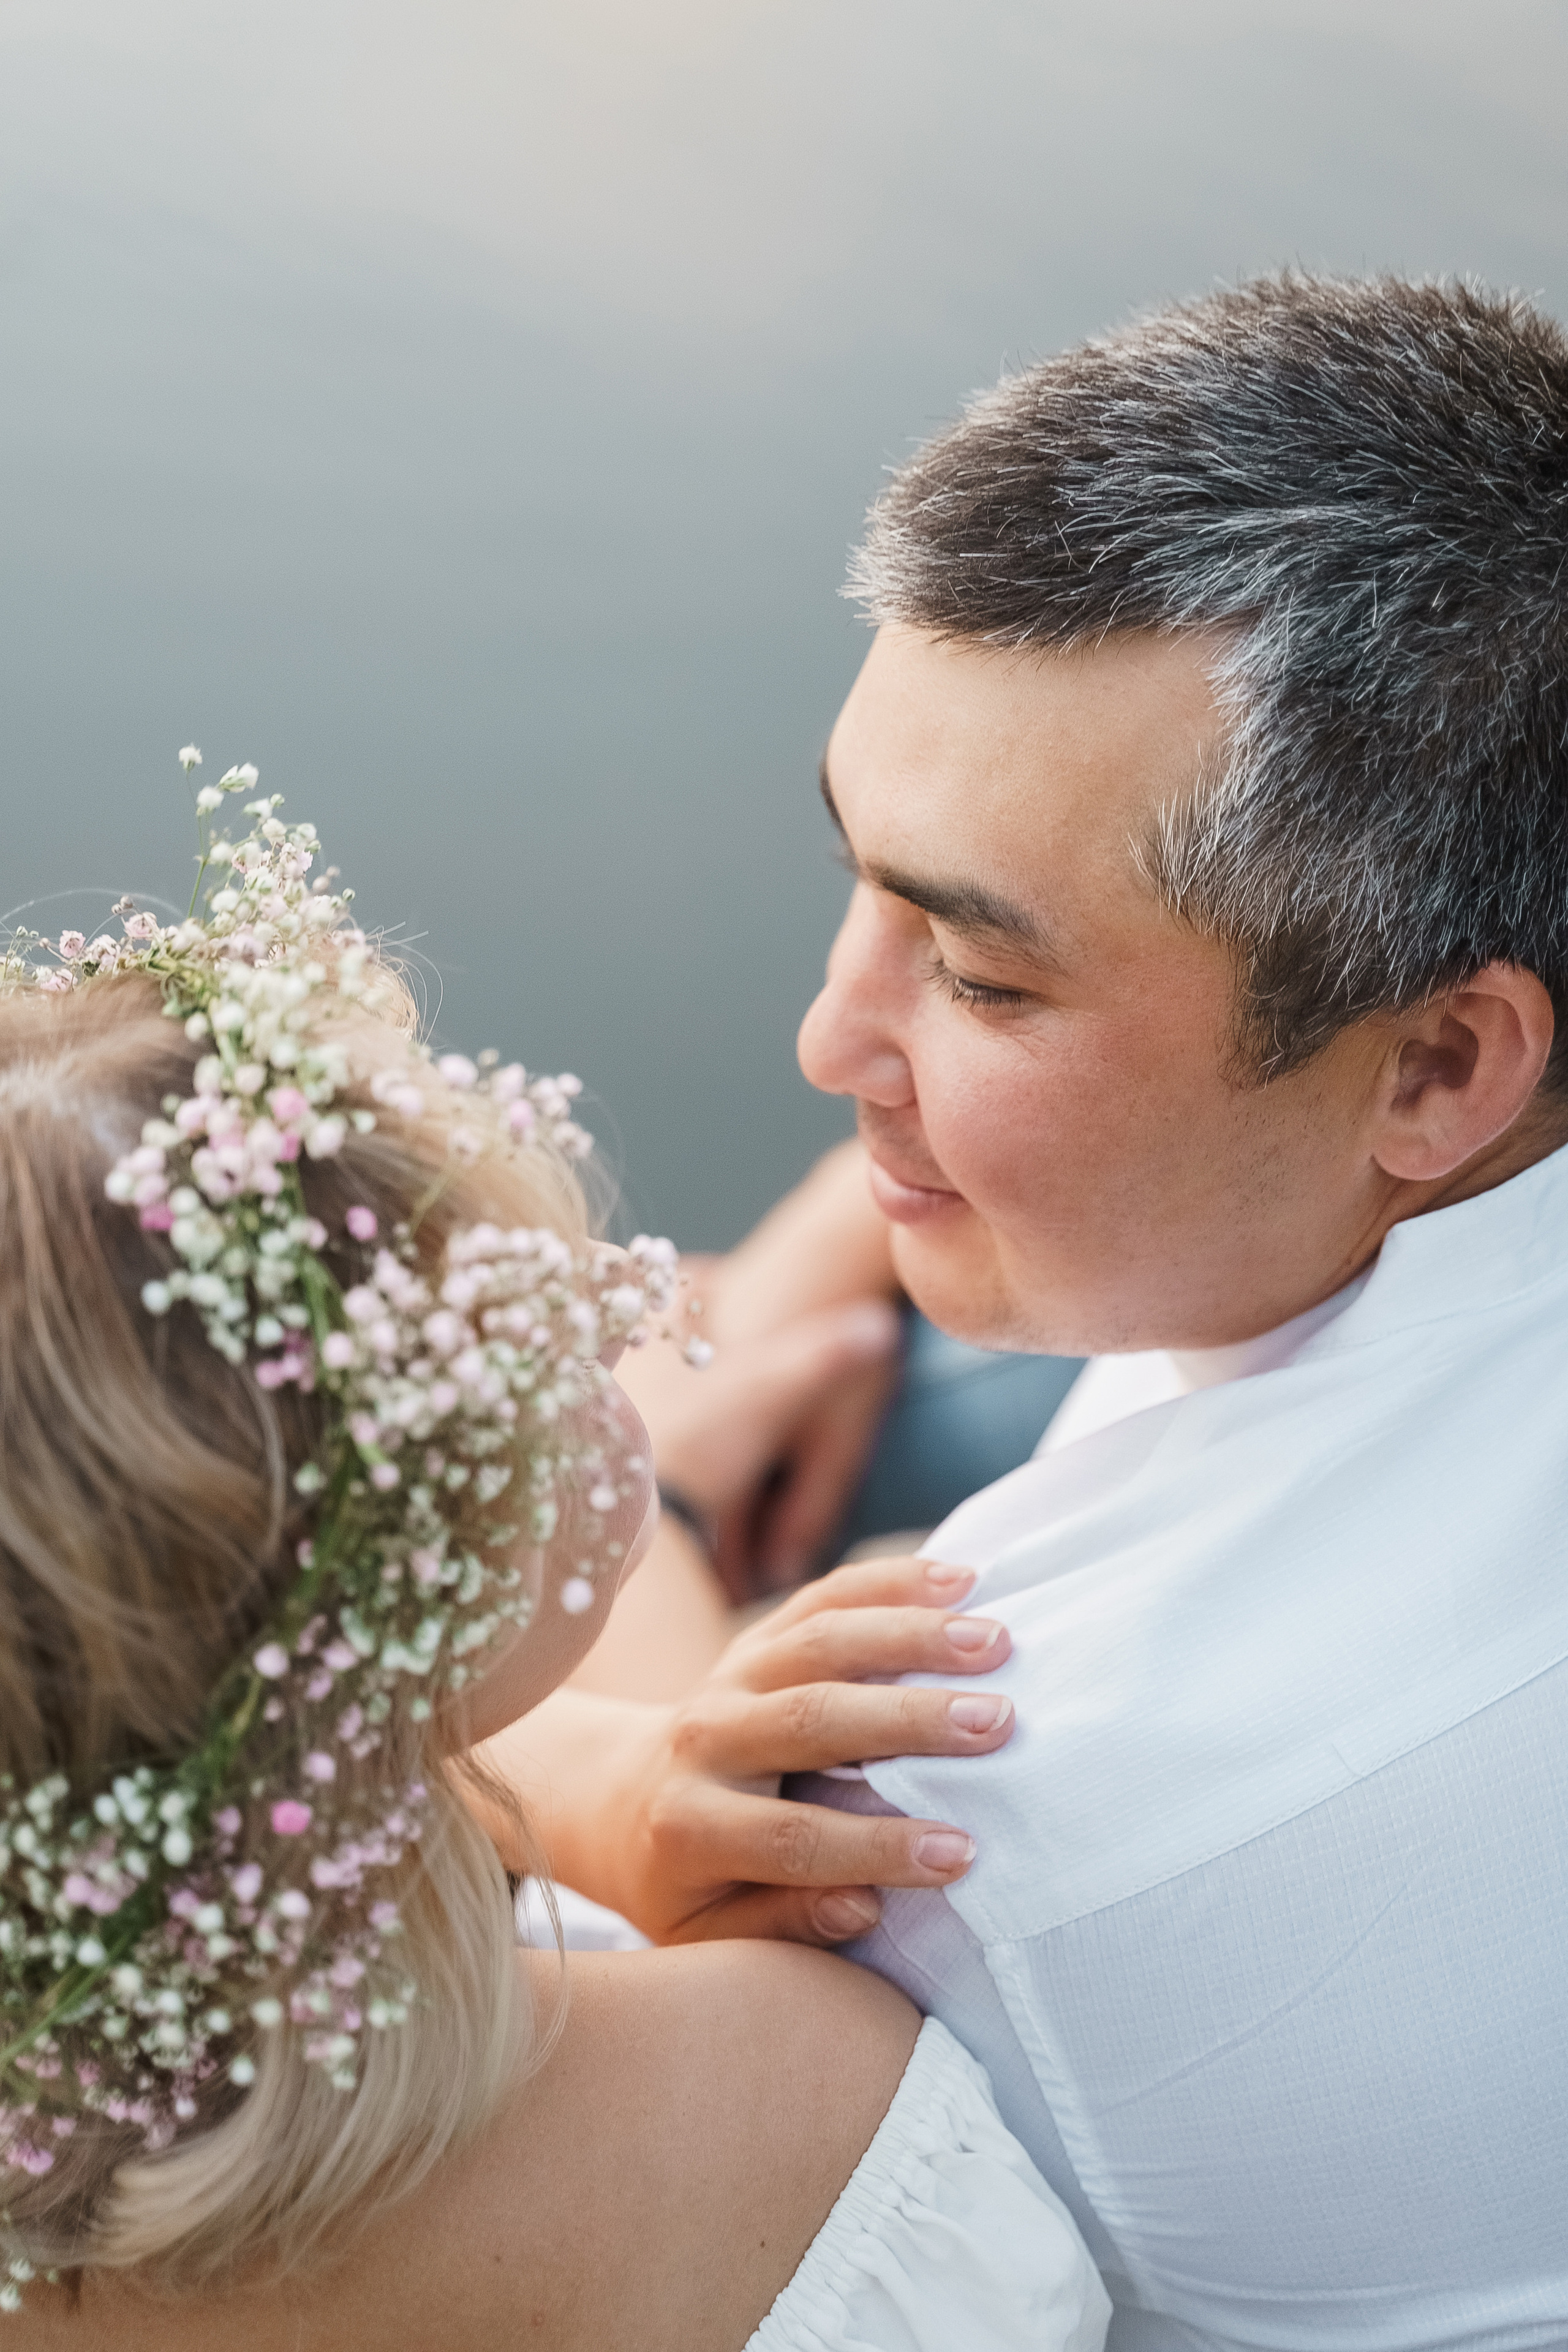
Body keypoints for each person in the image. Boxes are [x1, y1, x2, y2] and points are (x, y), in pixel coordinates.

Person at [564, 274, 1568, 2348]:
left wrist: (650, 1494)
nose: (828, 1028)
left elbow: (669, 1820)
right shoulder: (1464, 1088)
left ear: (1443, 1069)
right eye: (870, 879)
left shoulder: (1019, 1781)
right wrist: (844, 1245)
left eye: (985, 975)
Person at [0, 798, 1110, 2350]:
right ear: (373, 1587)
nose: (607, 1289)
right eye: (511, 1328)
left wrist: (591, 1775)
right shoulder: (785, 2097)